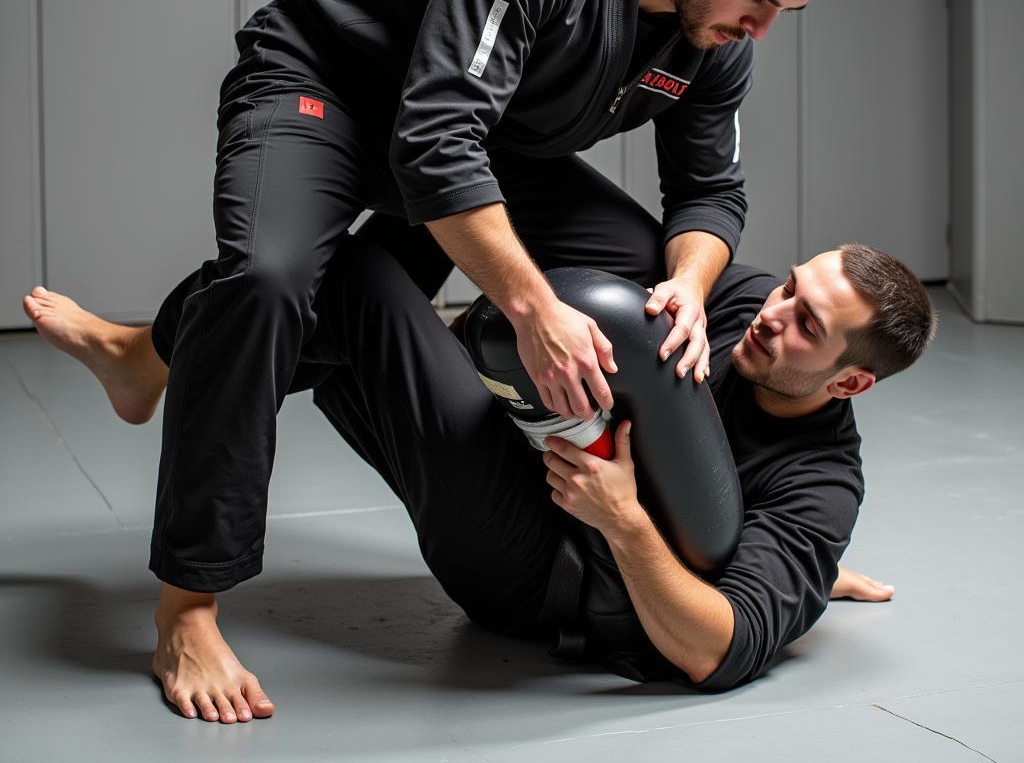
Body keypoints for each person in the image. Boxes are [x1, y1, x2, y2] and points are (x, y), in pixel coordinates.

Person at [22, 238, 933, 719]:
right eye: (789, 290)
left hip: (542, 581)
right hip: (519, 460)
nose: (771, 317)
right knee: (315, 279)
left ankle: (143, 364)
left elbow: (716, 651)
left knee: (363, 281)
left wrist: (630, 526)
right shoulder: (736, 311)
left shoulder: (822, 486)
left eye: (808, 325)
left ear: (851, 380)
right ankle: (142, 358)